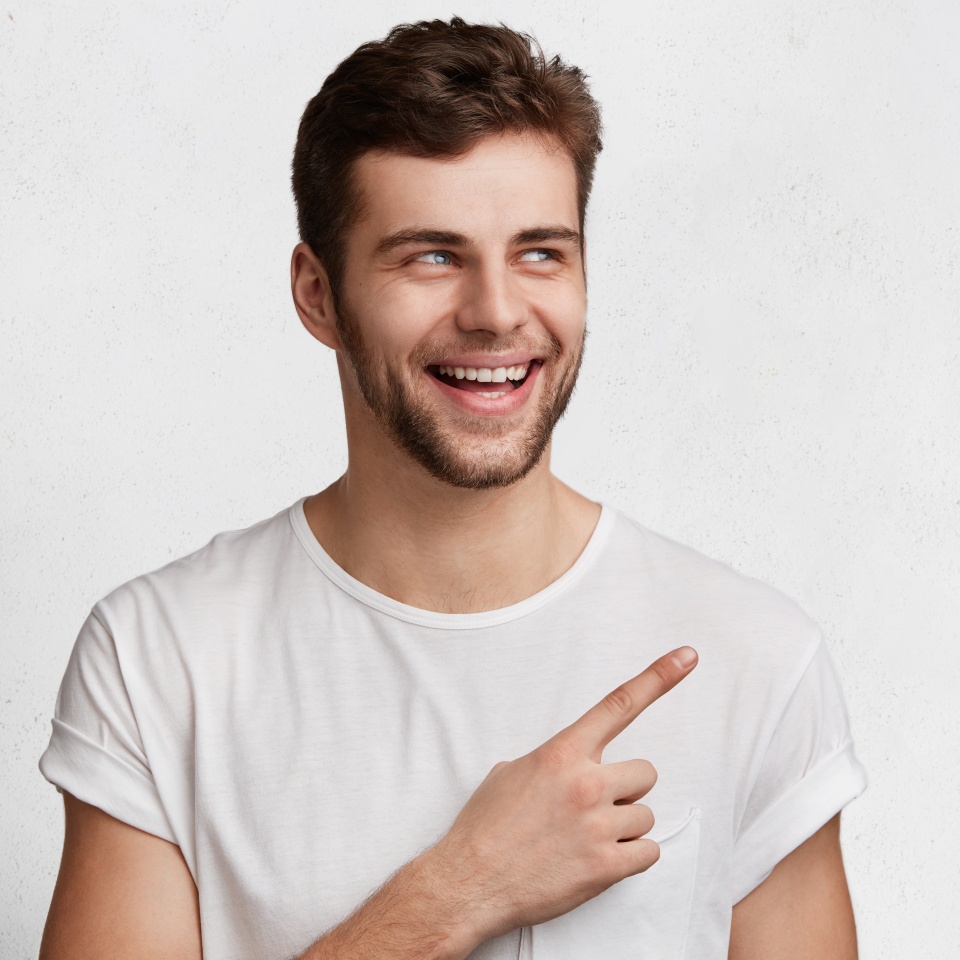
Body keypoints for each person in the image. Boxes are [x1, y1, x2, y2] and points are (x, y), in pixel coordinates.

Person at [37, 17, 867, 960]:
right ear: (318, 294)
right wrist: (463, 887)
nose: (498, 311)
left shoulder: (754, 660)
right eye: (431, 255)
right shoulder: (159, 661)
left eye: (540, 252)